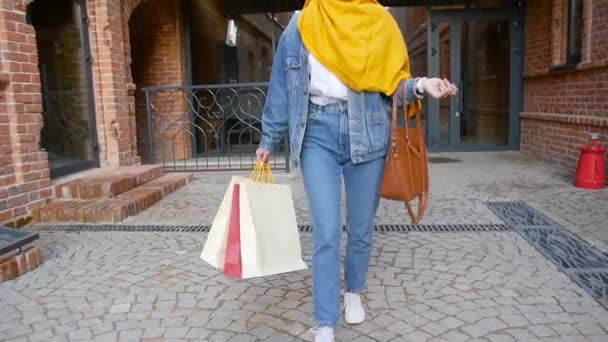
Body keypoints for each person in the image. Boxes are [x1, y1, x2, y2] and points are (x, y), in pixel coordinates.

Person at [256, 1, 456, 341]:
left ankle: (353, 291)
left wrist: (422, 85)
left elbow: (394, 84)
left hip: (369, 131)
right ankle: (324, 320)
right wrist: (268, 139)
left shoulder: (380, 21)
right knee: (327, 231)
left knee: (361, 228)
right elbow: (281, 85)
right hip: (316, 133)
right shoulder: (302, 23)